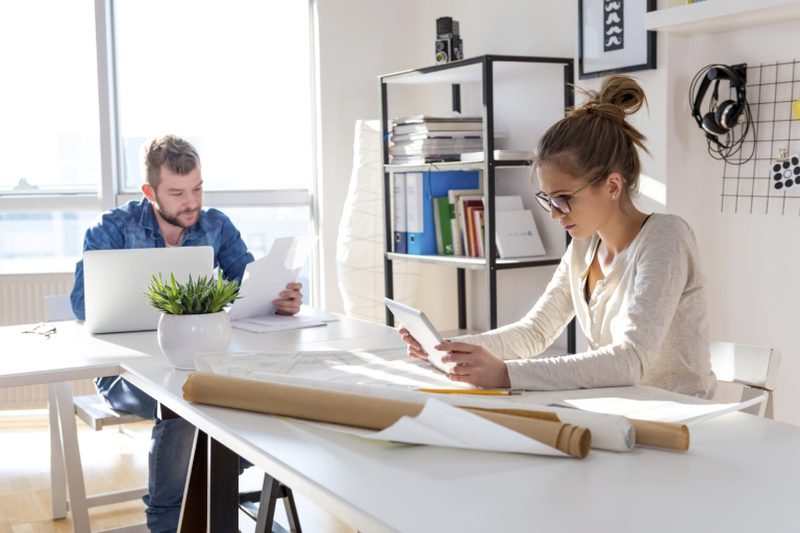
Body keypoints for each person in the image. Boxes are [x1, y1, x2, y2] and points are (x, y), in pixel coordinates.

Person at [401, 75, 716, 399]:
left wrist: (506, 374)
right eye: (548, 199)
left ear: (612, 186)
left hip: (681, 421)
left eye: (564, 198)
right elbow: (535, 332)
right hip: (623, 413)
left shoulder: (667, 239)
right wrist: (449, 350)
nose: (554, 213)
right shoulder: (584, 245)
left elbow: (630, 360)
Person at [70, 134, 303, 532]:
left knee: (239, 390)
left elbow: (245, 288)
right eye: (176, 193)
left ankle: (212, 505)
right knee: (186, 400)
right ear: (150, 191)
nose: (191, 202)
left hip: (196, 358)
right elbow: (81, 303)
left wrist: (281, 299)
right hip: (125, 371)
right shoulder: (112, 229)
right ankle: (169, 521)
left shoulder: (216, 226)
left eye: (196, 188)